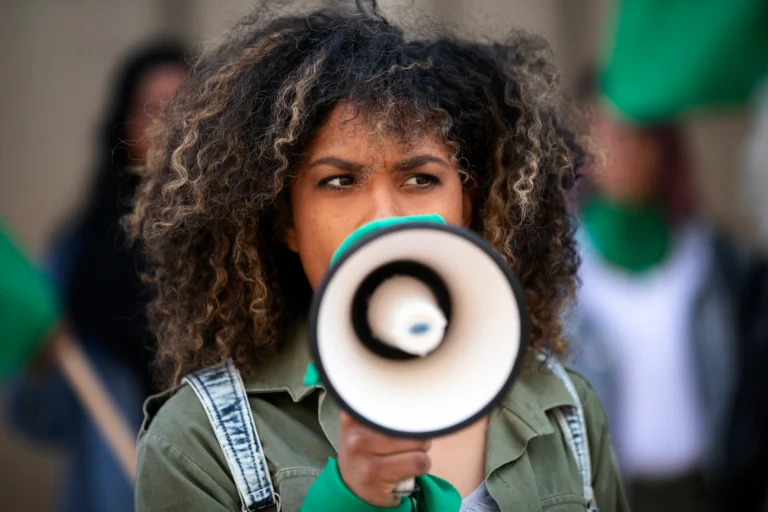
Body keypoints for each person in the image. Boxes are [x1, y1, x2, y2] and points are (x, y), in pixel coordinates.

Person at [129, 3, 628, 511]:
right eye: (339, 181)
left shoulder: (565, 411)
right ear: (287, 222)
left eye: (421, 179)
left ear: (468, 208)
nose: (385, 218)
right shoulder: (197, 443)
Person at [566, 73, 765, 512]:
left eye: (639, 134)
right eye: (609, 134)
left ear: (665, 144)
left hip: (707, 491)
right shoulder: (555, 267)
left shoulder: (716, 261)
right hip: (608, 496)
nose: (625, 149)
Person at [4, 41, 188, 512]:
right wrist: (42, 363)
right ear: (124, 130)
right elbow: (36, 424)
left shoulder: (249, 254)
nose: (171, 131)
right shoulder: (77, 258)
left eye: (188, 111)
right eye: (153, 112)